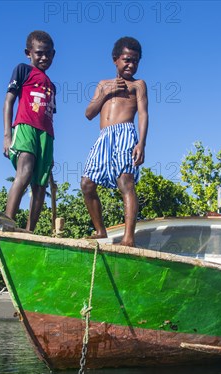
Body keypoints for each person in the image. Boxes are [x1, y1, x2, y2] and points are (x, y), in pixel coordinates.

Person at [81, 36, 149, 247]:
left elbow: (144, 114)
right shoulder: (103, 84)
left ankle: (128, 238)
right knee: (87, 184)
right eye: (127, 60)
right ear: (115, 59)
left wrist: (141, 144)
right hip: (104, 137)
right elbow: (89, 113)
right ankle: (100, 230)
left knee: (125, 182)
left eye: (136, 61)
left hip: (126, 134)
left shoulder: (138, 85)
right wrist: (107, 93)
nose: (131, 65)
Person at [3, 30, 56, 232]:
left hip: (47, 135)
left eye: (48, 54)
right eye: (39, 53)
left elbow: (50, 114)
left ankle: (29, 230)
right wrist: (7, 135)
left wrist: (50, 151)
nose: (44, 57)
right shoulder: (23, 70)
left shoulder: (52, 85)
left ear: (54, 54)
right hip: (25, 126)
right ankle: (7, 221)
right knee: (24, 173)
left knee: (40, 184)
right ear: (29, 53)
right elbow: (8, 102)